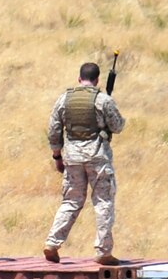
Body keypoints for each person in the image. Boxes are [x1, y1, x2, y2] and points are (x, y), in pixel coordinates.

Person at [44, 61, 124, 264]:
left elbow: (54, 130)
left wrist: (57, 156)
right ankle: (103, 251)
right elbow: (118, 126)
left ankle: (52, 243)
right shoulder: (103, 100)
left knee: (71, 201)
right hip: (97, 158)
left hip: (72, 157)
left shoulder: (64, 99)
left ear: (79, 78)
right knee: (103, 202)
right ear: (97, 80)